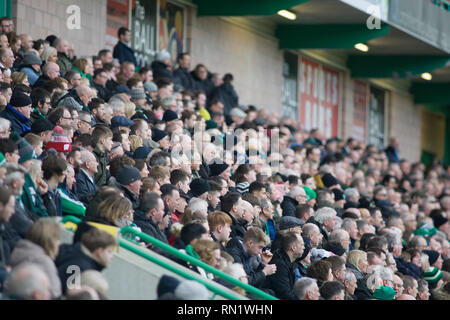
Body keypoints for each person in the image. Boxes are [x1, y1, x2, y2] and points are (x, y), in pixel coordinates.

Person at [9, 219, 62, 298]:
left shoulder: (17, 251)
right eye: (57, 239)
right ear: (50, 241)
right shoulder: (44, 261)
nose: (59, 243)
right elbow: (55, 293)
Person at [56, 227, 116, 294]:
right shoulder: (81, 268)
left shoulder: (66, 249)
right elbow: (67, 293)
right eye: (109, 251)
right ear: (99, 252)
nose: (112, 256)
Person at [265, 232, 304, 300]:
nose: (304, 247)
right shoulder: (279, 265)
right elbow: (285, 294)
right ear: (293, 248)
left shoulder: (289, 263)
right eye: (302, 244)